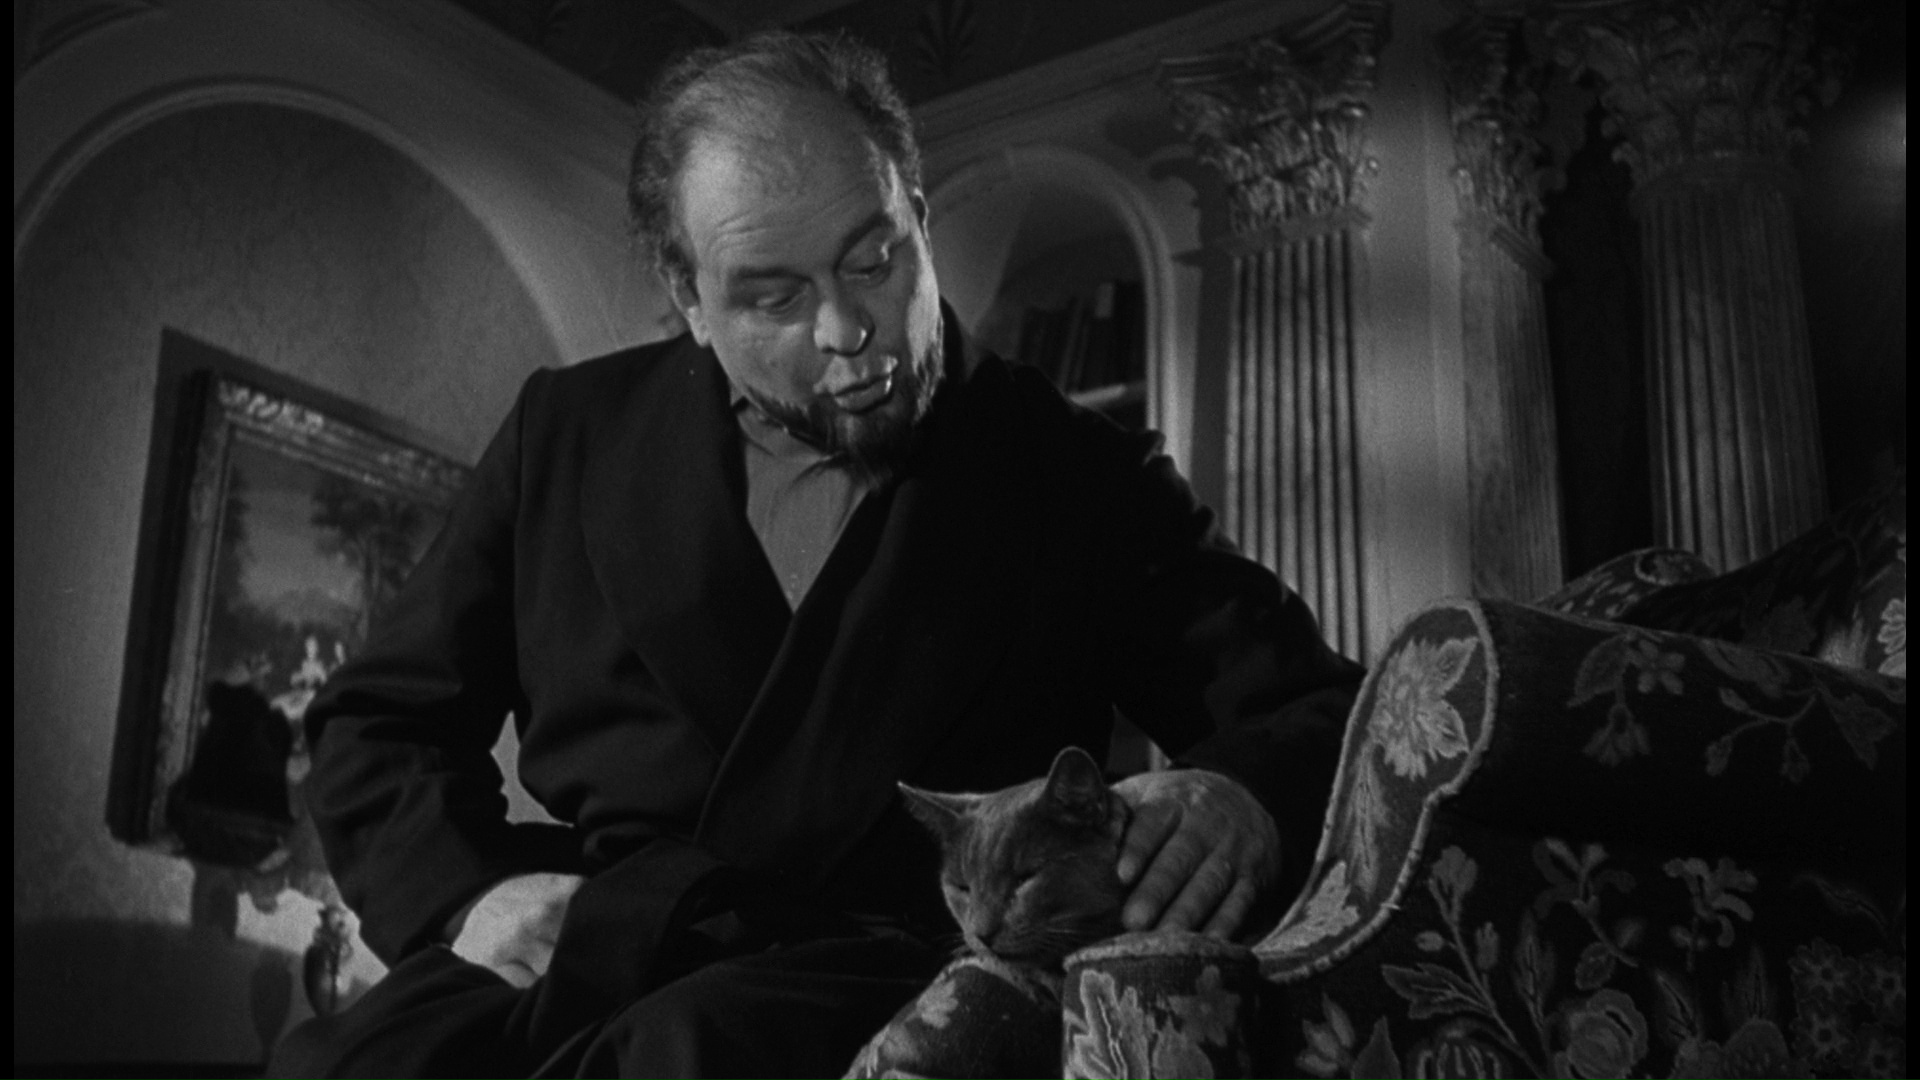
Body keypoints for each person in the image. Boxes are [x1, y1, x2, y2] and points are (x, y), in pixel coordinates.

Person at [268, 30, 1361, 1080]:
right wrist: (470, 897)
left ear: (918, 215)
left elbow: (1322, 712)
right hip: (607, 945)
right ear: (689, 298)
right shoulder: (568, 435)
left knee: (693, 1052)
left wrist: (1236, 795)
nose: (847, 329)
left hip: (898, 973)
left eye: (874, 259)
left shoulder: (1078, 473)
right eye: (775, 296)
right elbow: (377, 724)